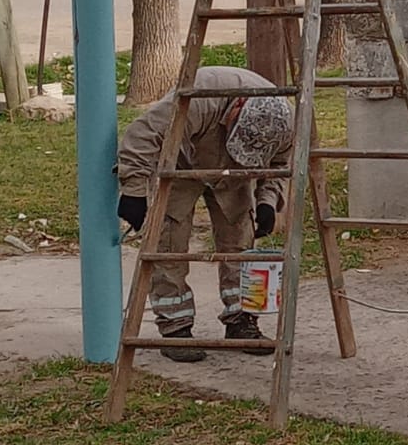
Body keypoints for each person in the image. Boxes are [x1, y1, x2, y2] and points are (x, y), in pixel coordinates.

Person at [117, 65, 294, 362]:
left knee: (240, 241)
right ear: (234, 113)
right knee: (168, 242)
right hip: (181, 160)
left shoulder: (284, 123)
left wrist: (267, 200)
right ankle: (175, 327)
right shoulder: (199, 98)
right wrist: (134, 191)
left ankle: (241, 321)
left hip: (237, 172)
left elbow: (278, 164)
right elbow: (141, 136)